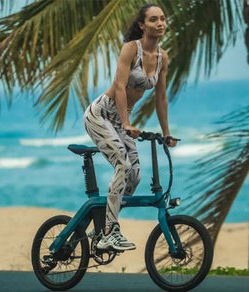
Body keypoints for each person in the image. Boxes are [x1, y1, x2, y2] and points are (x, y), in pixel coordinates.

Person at [83, 3, 177, 251]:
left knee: (134, 175)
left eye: (163, 19)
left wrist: (166, 133)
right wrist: (126, 123)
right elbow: (120, 86)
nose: (160, 23)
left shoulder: (161, 57)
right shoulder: (130, 50)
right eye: (154, 19)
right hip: (101, 115)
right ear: (141, 25)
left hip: (121, 120)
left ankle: (103, 226)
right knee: (122, 165)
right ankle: (110, 232)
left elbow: (161, 97)